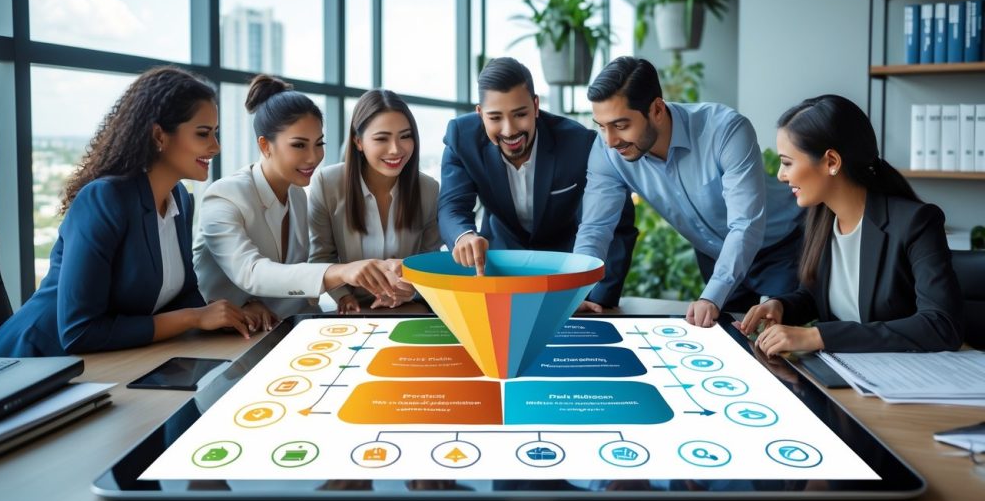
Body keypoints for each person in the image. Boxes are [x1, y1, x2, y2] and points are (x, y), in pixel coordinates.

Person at [0, 66, 252, 357]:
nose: (216, 147)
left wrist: (229, 315)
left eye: (215, 133)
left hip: (108, 363)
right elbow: (78, 331)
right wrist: (195, 318)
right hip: (35, 361)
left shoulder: (180, 199)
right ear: (159, 136)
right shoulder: (105, 199)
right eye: (203, 134)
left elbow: (182, 295)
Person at [574, 56, 804, 326]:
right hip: (716, 256)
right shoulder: (608, 151)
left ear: (657, 109)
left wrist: (711, 296)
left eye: (621, 126)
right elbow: (595, 228)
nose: (610, 141)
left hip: (781, 248)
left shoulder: (725, 130)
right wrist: (574, 291)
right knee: (730, 344)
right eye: (601, 126)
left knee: (777, 348)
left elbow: (746, 225)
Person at [735, 94, 963, 355]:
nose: (781, 175)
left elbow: (942, 326)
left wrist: (819, 336)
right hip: (844, 374)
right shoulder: (820, 218)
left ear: (831, 162)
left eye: (787, 163)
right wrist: (781, 306)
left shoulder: (916, 223)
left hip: (904, 380)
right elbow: (815, 296)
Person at [193, 75, 403, 323]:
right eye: (299, 145)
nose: (313, 157)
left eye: (319, 143)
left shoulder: (298, 196)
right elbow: (251, 273)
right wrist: (342, 272)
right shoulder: (225, 195)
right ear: (265, 146)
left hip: (283, 328)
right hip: (223, 336)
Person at [437, 57, 637, 309]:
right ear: (480, 114)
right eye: (495, 118)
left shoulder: (579, 144)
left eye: (520, 114)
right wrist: (463, 236)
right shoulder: (461, 137)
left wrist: (596, 299)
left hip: (567, 271)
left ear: (535, 105)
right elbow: (451, 206)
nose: (509, 130)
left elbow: (617, 225)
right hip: (501, 271)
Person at [308, 89, 442, 313]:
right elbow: (320, 257)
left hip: (409, 309)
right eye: (382, 138)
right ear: (358, 141)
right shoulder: (327, 184)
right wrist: (342, 296)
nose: (396, 149)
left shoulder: (428, 189)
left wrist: (413, 290)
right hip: (354, 311)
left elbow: (432, 263)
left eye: (405, 136)